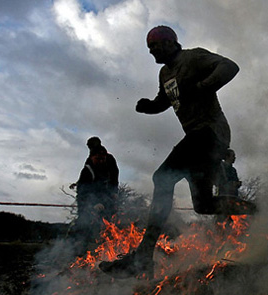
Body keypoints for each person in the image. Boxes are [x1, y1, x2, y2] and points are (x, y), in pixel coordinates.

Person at [99, 25, 254, 279]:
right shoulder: (164, 73)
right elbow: (166, 100)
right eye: (149, 48)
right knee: (204, 205)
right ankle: (263, 211)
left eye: (156, 46)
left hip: (210, 133)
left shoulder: (192, 57)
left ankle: (143, 256)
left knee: (162, 177)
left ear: (171, 42)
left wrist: (204, 86)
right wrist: (150, 106)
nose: (152, 52)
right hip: (199, 139)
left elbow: (229, 66)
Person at [70, 139, 119, 241]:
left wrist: (114, 192)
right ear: (92, 157)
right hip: (87, 196)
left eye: (102, 159)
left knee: (108, 217)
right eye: (98, 159)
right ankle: (78, 245)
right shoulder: (88, 167)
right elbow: (84, 190)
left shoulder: (109, 160)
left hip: (104, 192)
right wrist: (94, 204)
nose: (101, 161)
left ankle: (106, 243)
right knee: (84, 221)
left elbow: (114, 177)